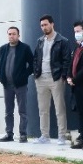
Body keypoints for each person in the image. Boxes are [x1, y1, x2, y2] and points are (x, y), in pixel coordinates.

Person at [33, 15, 75, 144]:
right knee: (43, 109)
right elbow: (36, 58)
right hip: (41, 78)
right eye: (42, 25)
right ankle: (44, 135)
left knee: (59, 108)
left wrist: (63, 76)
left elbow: (67, 60)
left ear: (52, 24)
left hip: (56, 77)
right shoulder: (40, 41)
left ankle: (62, 136)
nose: (44, 27)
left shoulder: (62, 41)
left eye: (46, 24)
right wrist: (36, 73)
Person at [0, 26, 35, 142]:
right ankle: (9, 134)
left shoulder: (25, 48)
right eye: (9, 34)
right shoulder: (3, 49)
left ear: (18, 35)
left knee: (22, 111)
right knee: (8, 111)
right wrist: (1, 76)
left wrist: (24, 75)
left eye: (13, 34)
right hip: (7, 85)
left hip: (20, 85)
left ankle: (23, 134)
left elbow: (32, 64)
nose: (11, 36)